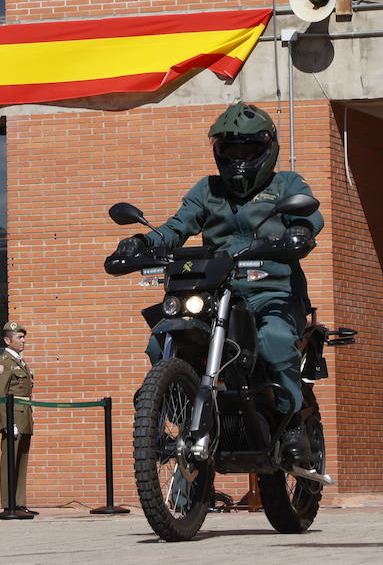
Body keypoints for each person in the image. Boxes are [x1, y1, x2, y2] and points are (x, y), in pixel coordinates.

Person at [114, 101, 323, 462]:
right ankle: (180, 415)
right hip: (215, 291)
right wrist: (144, 242)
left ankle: (291, 424)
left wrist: (300, 232)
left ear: (267, 148)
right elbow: (177, 227)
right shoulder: (208, 189)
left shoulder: (285, 182)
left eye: (248, 148)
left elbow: (310, 215)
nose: (239, 157)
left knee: (274, 341)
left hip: (271, 291)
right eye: (230, 149)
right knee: (161, 339)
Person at [0, 321, 35, 516]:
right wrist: (7, 422)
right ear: (7, 340)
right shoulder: (4, 363)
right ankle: (8, 502)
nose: (23, 340)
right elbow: (0, 394)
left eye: (23, 337)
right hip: (13, 416)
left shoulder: (20, 361)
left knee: (21, 460)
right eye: (19, 337)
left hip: (24, 413)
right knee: (10, 460)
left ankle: (19, 501)